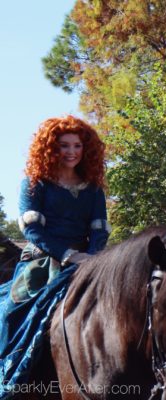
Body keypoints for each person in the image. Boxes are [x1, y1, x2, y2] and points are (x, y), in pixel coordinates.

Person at [0, 116, 110, 393]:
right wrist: (70, 255)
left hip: (87, 263)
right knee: (11, 312)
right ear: (51, 148)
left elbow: (99, 230)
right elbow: (33, 232)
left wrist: (92, 260)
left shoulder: (94, 190)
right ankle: (8, 378)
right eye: (64, 145)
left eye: (77, 146)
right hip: (41, 262)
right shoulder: (34, 184)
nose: (71, 152)